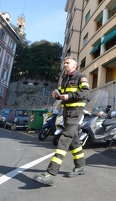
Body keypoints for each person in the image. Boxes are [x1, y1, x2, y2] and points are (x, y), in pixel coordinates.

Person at [33, 56, 89, 186]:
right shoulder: (65, 78)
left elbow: (85, 93)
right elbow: (63, 93)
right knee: (74, 140)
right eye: (64, 63)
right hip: (66, 111)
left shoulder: (81, 76)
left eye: (67, 63)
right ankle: (80, 167)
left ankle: (51, 174)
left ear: (74, 66)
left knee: (64, 139)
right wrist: (57, 94)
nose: (65, 65)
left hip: (76, 111)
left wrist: (69, 96)